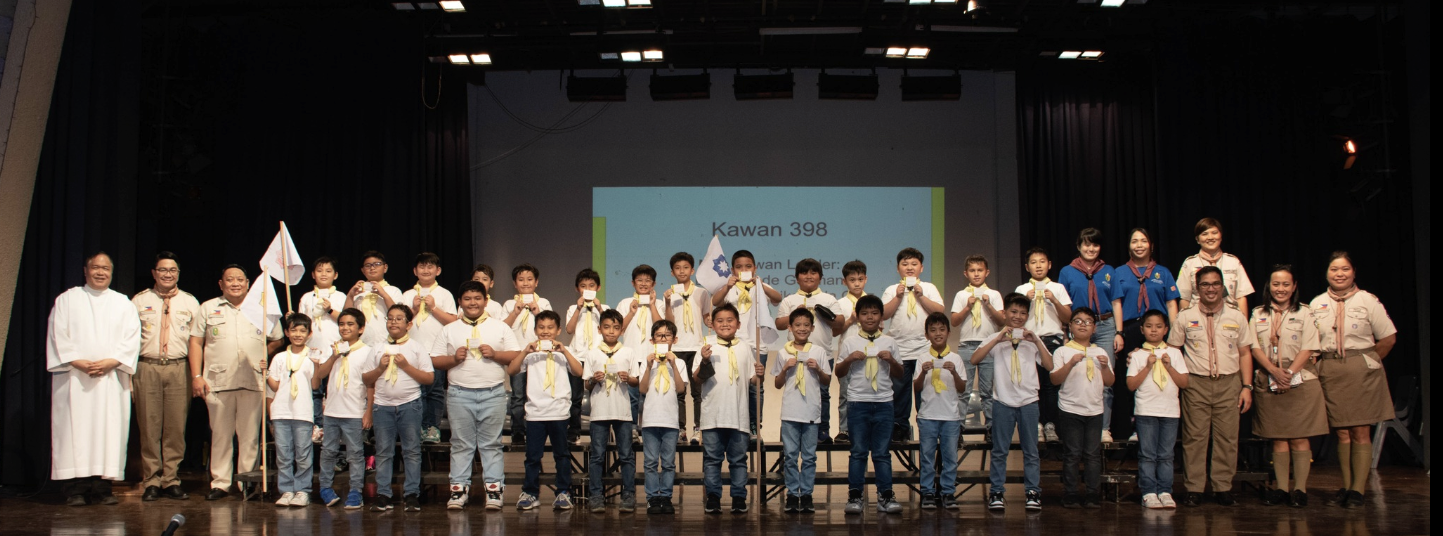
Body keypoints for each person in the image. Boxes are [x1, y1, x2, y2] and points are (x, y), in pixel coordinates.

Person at [48, 252, 141, 506]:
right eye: (95, 268)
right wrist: (75, 360)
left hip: (110, 379)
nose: (100, 272)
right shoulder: (67, 300)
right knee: (74, 431)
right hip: (75, 378)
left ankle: (102, 488)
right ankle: (74, 490)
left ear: (111, 272)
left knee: (107, 431)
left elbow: (132, 338)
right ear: (85, 270)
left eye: (106, 268)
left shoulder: (123, 304)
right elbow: (58, 334)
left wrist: (112, 361)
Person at [1306, 251, 1397, 509]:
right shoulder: (1317, 303)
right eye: (1334, 269)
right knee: (1342, 433)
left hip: (1361, 369)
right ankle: (1346, 486)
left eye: (1345, 269)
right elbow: (1311, 342)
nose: (1339, 274)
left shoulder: (1367, 301)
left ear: (1353, 272)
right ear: (1327, 273)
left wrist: (1367, 362)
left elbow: (1388, 338)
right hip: (1331, 369)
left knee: (1360, 431)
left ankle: (1359, 490)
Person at [191, 265, 284, 501]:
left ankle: (247, 482)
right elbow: (195, 343)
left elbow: (278, 339)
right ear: (221, 284)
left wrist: (263, 353)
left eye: (240, 279)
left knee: (250, 435)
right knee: (220, 434)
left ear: (247, 283)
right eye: (229, 279)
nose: (235, 283)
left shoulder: (262, 309)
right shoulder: (208, 307)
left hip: (252, 380)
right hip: (217, 380)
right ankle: (220, 483)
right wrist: (196, 376)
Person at [430, 280, 522, 510]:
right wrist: (453, 359)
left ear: (485, 301)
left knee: (491, 445)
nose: (473, 302)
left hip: (493, 393)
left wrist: (495, 354)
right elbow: (435, 360)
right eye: (468, 299)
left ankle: (494, 492)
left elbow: (516, 355)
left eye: (477, 298)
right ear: (460, 302)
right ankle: (458, 491)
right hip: (460, 394)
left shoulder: (499, 326)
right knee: (461, 444)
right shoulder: (450, 328)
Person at [1169, 266, 1256, 508]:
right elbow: (1174, 350)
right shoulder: (1185, 317)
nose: (1211, 288)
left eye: (1215, 284)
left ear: (1223, 287)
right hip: (1196, 383)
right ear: (1197, 288)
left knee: (1227, 439)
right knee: (1194, 438)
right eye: (1205, 284)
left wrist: (1247, 386)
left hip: (1229, 383)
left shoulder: (1236, 316)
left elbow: (1245, 353)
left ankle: (1222, 488)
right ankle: (1194, 488)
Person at [1249, 265, 1327, 508]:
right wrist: (1273, 371)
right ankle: (1281, 488)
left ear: (1294, 287)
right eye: (1275, 284)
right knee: (1278, 438)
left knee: (1299, 437)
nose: (1280, 289)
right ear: (1268, 286)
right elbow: (1253, 347)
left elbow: (1309, 346)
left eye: (1285, 284)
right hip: (1269, 375)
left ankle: (1299, 490)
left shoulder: (1305, 312)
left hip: (1299, 376)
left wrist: (1289, 373)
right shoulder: (1258, 313)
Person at [974, 293, 1054, 512]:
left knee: (1031, 451)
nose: (1018, 316)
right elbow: (975, 359)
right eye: (1013, 312)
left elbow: (1049, 365)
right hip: (1003, 402)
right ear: (1005, 313)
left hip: (1029, 401)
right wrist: (997, 339)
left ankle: (1033, 492)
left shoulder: (1032, 339)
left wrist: (1036, 340)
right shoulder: (997, 338)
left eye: (1022, 313)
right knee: (1000, 451)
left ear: (1027, 315)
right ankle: (997, 492)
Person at [132, 251, 201, 501]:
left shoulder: (190, 302)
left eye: (172, 270)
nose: (167, 274)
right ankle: (151, 480)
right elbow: (128, 340)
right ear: (154, 273)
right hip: (146, 366)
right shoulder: (139, 301)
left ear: (178, 274)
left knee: (175, 427)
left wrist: (196, 375)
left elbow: (197, 342)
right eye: (162, 270)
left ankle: (171, 479)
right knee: (149, 427)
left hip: (178, 368)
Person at [833, 295, 904, 515]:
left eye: (874, 313)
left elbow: (900, 374)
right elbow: (839, 372)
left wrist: (891, 360)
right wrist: (849, 359)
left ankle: (885, 495)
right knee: (858, 452)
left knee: (882, 453)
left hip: (884, 403)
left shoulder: (890, 342)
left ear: (881, 316)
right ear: (858, 317)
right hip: (857, 404)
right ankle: (855, 496)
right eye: (864, 313)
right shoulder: (850, 341)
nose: (870, 317)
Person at [691, 304, 765, 514]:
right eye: (720, 321)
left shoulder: (745, 347)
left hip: (739, 416)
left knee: (739, 460)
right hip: (712, 416)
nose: (725, 324)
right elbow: (697, 380)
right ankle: (713, 497)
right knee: (712, 459)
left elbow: (752, 380)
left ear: (738, 324)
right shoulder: (706, 345)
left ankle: (739, 497)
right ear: (712, 325)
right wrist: (705, 360)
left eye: (730, 320)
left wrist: (758, 374)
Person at [507, 310, 583, 511]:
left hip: (559, 412)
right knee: (532, 457)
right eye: (541, 327)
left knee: (562, 455)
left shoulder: (563, 353)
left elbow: (579, 372)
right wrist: (525, 351)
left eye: (550, 328)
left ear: (558, 330)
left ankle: (563, 492)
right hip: (535, 413)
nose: (546, 332)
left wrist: (564, 351)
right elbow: (512, 370)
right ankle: (531, 493)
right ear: (535, 330)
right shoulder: (530, 355)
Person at [1109, 228, 1180, 442]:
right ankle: (1132, 427)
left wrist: (1173, 336)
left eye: (1143, 241)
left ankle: (1158, 425)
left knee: (1156, 376)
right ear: (1129, 246)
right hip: (1130, 328)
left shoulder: (1163, 272)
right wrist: (1119, 332)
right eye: (1134, 241)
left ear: (1151, 245)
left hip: (1157, 329)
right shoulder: (1119, 272)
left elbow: (1171, 303)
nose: (1139, 245)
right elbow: (1117, 303)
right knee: (1130, 378)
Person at [363, 304, 435, 512]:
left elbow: (429, 378)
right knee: (384, 452)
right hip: (382, 406)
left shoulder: (416, 348)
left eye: (399, 319)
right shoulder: (377, 348)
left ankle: (411, 494)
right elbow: (366, 379)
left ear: (409, 324)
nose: (393, 322)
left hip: (409, 405)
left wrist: (406, 367)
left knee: (411, 450)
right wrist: (380, 368)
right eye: (390, 318)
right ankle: (383, 494)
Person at [710, 250, 782, 435]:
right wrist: (727, 286)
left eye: (748, 266)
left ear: (755, 268)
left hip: (758, 344)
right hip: (735, 343)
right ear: (733, 270)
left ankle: (755, 425)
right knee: (737, 383)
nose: (744, 269)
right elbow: (716, 302)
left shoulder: (760, 285)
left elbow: (777, 298)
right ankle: (738, 421)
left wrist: (760, 284)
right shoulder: (730, 287)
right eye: (739, 267)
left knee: (756, 386)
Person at [1048, 308, 1115, 509]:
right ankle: (1071, 493)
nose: (1083, 324)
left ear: (1094, 328)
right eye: (1078, 321)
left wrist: (1104, 367)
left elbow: (1110, 382)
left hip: (1094, 410)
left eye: (1087, 321)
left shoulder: (1100, 352)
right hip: (1070, 409)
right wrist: (1070, 363)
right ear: (1070, 326)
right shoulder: (1063, 351)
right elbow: (1054, 379)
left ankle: (1093, 493)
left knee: (1093, 454)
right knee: (1072, 453)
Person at [1058, 228, 1120, 441]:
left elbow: (1116, 302)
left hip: (1104, 325)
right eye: (1086, 244)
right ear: (1078, 246)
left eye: (1094, 244)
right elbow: (1064, 306)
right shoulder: (1067, 271)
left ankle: (1103, 429)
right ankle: (1076, 430)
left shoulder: (1109, 270)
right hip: (1078, 327)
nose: (1090, 248)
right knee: (1076, 378)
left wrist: (1118, 332)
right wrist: (1065, 332)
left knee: (1104, 377)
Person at [771, 309, 833, 514]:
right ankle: (792, 494)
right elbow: (778, 384)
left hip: (811, 413)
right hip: (790, 413)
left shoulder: (819, 352)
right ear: (789, 328)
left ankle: (806, 494)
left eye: (806, 325)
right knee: (789, 456)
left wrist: (818, 370)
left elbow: (827, 381)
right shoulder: (782, 352)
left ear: (812, 328)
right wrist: (785, 369)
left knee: (809, 457)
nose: (802, 329)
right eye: (797, 325)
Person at [1127, 310, 1189, 510]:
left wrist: (1169, 367)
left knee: (1166, 454)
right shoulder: (1137, 355)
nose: (1154, 330)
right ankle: (1148, 492)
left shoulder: (1175, 353)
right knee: (1147, 454)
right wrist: (1146, 367)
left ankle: (1165, 491)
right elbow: (1131, 385)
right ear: (1142, 330)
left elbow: (1184, 382)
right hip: (1146, 411)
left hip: (1170, 411)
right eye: (1149, 326)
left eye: (1158, 326)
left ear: (1166, 330)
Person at [882, 247, 946, 442]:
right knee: (899, 393)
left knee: (924, 392)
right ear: (898, 268)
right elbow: (884, 314)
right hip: (899, 349)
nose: (909, 268)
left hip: (923, 350)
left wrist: (920, 295)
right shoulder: (892, 289)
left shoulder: (929, 287)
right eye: (905, 264)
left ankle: (926, 427)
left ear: (921, 267)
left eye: (914, 264)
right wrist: (899, 296)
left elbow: (940, 312)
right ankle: (900, 427)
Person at [313, 308, 374, 510]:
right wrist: (333, 356)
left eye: (350, 324)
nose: (345, 327)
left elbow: (370, 384)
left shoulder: (367, 351)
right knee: (328, 451)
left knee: (355, 453)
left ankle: (356, 491)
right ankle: (325, 488)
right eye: (341, 324)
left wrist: (368, 412)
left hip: (354, 411)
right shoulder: (335, 349)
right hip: (331, 411)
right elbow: (320, 374)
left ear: (361, 328)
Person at [774, 258, 839, 445]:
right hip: (794, 354)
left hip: (823, 354)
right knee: (794, 391)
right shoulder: (789, 300)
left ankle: (823, 430)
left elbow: (840, 322)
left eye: (813, 273)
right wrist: (796, 311)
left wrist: (823, 313)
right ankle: (793, 428)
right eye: (804, 273)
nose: (809, 276)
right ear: (796, 278)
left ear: (820, 277)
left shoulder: (828, 299)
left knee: (824, 394)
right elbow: (779, 324)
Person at [1014, 247, 1072, 442]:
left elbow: (1067, 317)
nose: (1038, 266)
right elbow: (1014, 319)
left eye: (1042, 261)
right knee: (1032, 385)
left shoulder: (1058, 288)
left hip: (1052, 341)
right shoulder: (1022, 290)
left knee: (1050, 386)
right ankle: (1036, 424)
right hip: (1028, 341)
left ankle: (1051, 425)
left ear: (1049, 265)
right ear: (1026, 267)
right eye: (1033, 262)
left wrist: (1054, 300)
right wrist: (1026, 301)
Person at [584, 310, 639, 514]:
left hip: (622, 412)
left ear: (622, 330)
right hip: (599, 412)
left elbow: (636, 380)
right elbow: (586, 384)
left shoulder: (628, 352)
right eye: (607, 327)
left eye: (616, 327)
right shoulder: (592, 353)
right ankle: (596, 495)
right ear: (599, 329)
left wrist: (628, 378)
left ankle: (628, 495)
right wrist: (594, 379)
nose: (611, 331)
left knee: (626, 455)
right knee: (597, 456)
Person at [401, 253, 457, 444]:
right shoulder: (408, 294)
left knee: (435, 391)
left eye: (430, 267)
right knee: (416, 391)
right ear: (415, 271)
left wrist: (433, 308)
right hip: (412, 352)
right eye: (422, 267)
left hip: (437, 351)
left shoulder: (444, 294)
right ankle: (415, 427)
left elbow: (453, 321)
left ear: (438, 271)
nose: (426, 270)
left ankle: (431, 427)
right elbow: (400, 323)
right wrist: (414, 310)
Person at [265, 313, 320, 507]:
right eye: (294, 330)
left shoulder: (311, 356)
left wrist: (316, 367)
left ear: (309, 333)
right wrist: (265, 373)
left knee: (303, 454)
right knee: (284, 453)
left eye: (302, 330)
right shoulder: (280, 357)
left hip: (302, 412)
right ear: (287, 332)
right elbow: (275, 385)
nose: (298, 334)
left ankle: (302, 490)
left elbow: (315, 385)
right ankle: (286, 490)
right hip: (281, 411)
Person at [913, 312, 966, 510]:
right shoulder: (922, 358)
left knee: (950, 456)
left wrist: (953, 372)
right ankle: (927, 492)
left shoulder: (956, 359)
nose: (937, 334)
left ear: (948, 333)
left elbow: (961, 388)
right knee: (926, 456)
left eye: (942, 330)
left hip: (951, 416)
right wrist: (923, 373)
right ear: (927, 335)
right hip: (927, 416)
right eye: (933, 330)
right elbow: (916, 388)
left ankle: (948, 492)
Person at [638, 318, 690, 514]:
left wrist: (673, 364)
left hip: (670, 420)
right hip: (650, 420)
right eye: (659, 335)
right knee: (650, 462)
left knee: (668, 463)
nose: (663, 338)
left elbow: (679, 389)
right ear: (652, 340)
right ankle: (652, 498)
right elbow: (642, 389)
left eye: (667, 335)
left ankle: (666, 497)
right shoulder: (646, 360)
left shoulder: (680, 362)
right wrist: (650, 366)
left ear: (674, 340)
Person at [949, 255, 1004, 430]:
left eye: (980, 270)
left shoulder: (994, 294)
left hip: (988, 346)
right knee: (963, 391)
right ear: (966, 273)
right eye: (972, 271)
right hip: (967, 346)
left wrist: (988, 305)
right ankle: (958, 428)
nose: (976, 274)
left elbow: (1001, 321)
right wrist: (967, 307)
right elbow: (954, 321)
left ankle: (991, 428)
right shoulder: (961, 295)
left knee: (987, 391)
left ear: (987, 272)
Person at [662, 252, 712, 445]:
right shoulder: (670, 293)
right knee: (678, 392)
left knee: (698, 392)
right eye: (677, 268)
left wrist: (709, 321)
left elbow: (707, 317)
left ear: (692, 270)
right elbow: (669, 322)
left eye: (685, 267)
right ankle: (681, 428)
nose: (681, 271)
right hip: (677, 347)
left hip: (697, 346)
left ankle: (699, 429)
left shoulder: (702, 293)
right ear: (672, 272)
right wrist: (667, 302)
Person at [504, 263, 551, 447]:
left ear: (536, 282)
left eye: (530, 279)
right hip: (517, 355)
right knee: (517, 395)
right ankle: (517, 431)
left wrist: (537, 310)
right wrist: (515, 312)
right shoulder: (509, 304)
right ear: (515, 284)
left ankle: (536, 429)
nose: (525, 283)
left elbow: (549, 324)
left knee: (537, 394)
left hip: (539, 355)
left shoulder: (543, 302)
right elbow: (503, 328)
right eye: (521, 280)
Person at [299, 257, 345, 443]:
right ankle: (317, 425)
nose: (323, 274)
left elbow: (347, 320)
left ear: (335, 275)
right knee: (315, 391)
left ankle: (334, 427)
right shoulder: (306, 297)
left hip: (335, 352)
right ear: (313, 274)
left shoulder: (340, 297)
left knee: (334, 390)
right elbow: (302, 324)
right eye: (319, 270)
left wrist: (329, 309)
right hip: (313, 352)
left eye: (328, 271)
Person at [617, 264, 662, 439]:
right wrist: (631, 312)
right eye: (640, 280)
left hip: (653, 356)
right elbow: (619, 329)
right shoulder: (625, 303)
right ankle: (633, 428)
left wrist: (652, 306)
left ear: (654, 284)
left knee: (651, 396)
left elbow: (661, 327)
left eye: (648, 281)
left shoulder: (658, 303)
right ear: (633, 283)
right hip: (631, 355)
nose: (643, 284)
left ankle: (650, 427)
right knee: (633, 397)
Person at [566, 268, 610, 445]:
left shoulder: (604, 308)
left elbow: (610, 328)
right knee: (575, 397)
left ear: (598, 288)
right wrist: (578, 308)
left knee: (598, 396)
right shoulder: (573, 308)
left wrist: (598, 307)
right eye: (583, 286)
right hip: (577, 356)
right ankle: (574, 431)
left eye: (591, 285)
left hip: (597, 356)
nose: (587, 289)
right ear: (578, 289)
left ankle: (599, 432)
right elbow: (569, 329)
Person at [1176, 218, 1255, 313]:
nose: (1210, 237)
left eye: (1214, 232)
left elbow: (1241, 297)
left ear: (1221, 236)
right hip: (1199, 317)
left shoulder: (1233, 262)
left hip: (1229, 318)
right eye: (1204, 234)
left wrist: (1243, 325)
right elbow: (1185, 298)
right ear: (1197, 239)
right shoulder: (1189, 263)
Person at [830, 260, 870, 443]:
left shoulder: (871, 302)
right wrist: (851, 320)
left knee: (868, 394)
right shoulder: (839, 304)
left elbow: (880, 328)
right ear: (844, 282)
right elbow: (834, 332)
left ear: (866, 280)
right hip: (847, 357)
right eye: (852, 279)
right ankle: (844, 430)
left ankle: (867, 429)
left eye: (860, 279)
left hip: (869, 356)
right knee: (846, 395)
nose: (856, 283)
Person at [343, 251, 403, 348]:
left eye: (377, 264)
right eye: (368, 265)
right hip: (360, 343)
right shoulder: (357, 292)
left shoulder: (393, 290)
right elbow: (346, 316)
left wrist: (383, 294)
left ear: (385, 268)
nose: (372, 268)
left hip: (386, 341)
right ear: (362, 270)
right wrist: (350, 295)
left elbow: (398, 314)